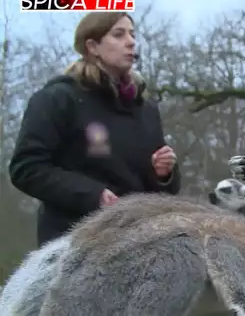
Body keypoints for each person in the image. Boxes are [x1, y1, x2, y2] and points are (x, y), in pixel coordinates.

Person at [8, 12, 181, 248]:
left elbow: (160, 192)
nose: (130, 41)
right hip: (72, 244)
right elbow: (26, 168)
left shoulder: (145, 109)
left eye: (132, 34)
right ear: (93, 46)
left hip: (138, 244)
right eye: (118, 35)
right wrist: (93, 195)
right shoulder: (57, 99)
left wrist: (163, 175)